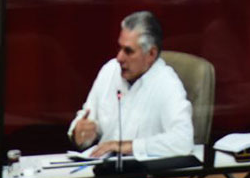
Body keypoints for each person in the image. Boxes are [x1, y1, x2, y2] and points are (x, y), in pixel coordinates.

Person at [68, 11, 194, 159]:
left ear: (151, 54)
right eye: (119, 48)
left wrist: (126, 146)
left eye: (128, 51)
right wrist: (80, 133)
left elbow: (183, 141)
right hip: (100, 169)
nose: (119, 58)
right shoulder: (110, 70)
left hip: (144, 176)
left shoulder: (167, 84)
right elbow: (87, 117)